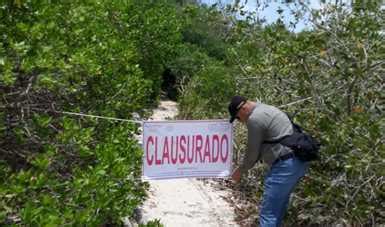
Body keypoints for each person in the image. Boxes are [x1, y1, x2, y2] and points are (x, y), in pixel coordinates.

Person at [228, 95, 308, 227]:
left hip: (284, 165)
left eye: (237, 117)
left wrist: (240, 171)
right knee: (278, 208)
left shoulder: (254, 119)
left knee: (269, 213)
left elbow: (252, 153)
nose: (239, 121)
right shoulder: (267, 108)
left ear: (242, 109)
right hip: (296, 162)